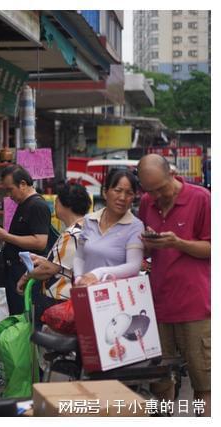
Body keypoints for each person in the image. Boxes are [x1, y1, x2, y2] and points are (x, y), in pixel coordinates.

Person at [137, 154, 210, 416]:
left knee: (204, 383)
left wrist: (178, 243)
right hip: (158, 306)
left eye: (160, 189)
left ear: (172, 174)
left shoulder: (201, 198)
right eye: (149, 191)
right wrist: (148, 242)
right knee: (160, 381)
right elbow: (143, 244)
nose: (156, 196)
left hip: (196, 307)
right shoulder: (147, 203)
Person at [16, 183, 92, 321]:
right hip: (76, 301)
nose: (55, 205)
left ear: (66, 205)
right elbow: (63, 264)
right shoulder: (88, 228)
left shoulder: (72, 233)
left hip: (61, 303)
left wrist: (26, 277)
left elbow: (49, 269)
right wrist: (41, 259)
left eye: (57, 201)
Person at [0, 164, 51, 315]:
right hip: (15, 273)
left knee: (24, 320)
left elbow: (40, 242)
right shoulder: (24, 204)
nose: (9, 195)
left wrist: (6, 236)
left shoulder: (37, 205)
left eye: (10, 189)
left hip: (26, 274)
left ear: (23, 184)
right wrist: (1, 237)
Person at [73, 169, 144, 287]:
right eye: (118, 190)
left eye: (129, 193)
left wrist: (99, 273)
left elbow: (134, 266)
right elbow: (79, 256)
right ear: (105, 192)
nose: (122, 197)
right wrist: (79, 278)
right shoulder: (89, 220)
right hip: (86, 292)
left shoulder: (135, 226)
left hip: (116, 297)